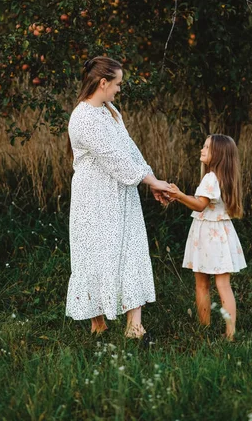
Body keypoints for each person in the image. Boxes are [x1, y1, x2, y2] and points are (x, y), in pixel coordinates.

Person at [65, 56, 171, 338]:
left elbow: (128, 150)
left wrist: (152, 181)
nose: (119, 89)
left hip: (121, 193)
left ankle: (134, 326)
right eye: (117, 84)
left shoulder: (110, 111)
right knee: (94, 254)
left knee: (131, 249)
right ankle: (97, 324)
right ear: (102, 82)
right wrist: (151, 180)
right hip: (95, 199)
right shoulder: (83, 118)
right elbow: (114, 160)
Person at [168, 134, 246, 340]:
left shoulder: (210, 178)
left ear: (218, 155)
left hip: (207, 236)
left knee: (202, 285)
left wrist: (179, 196)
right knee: (223, 285)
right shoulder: (225, 177)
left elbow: (200, 205)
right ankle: (230, 333)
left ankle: (204, 329)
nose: (201, 150)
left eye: (206, 147)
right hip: (222, 234)